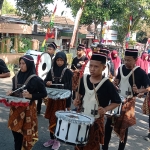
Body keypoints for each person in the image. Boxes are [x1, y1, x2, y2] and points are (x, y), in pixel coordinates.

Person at [102, 49, 150, 150]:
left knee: (124, 128)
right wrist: (116, 82)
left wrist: (139, 90)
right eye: (125, 59)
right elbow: (118, 79)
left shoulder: (140, 72)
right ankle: (104, 147)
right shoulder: (121, 68)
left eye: (129, 60)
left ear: (135, 59)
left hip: (128, 102)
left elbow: (148, 87)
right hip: (117, 100)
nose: (126, 62)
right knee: (108, 125)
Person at [73, 52, 121, 150]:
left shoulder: (107, 83)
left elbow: (117, 101)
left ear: (103, 68)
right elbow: (79, 94)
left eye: (96, 67)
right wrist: (76, 100)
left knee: (92, 146)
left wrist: (105, 109)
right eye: (91, 66)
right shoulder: (84, 79)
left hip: (96, 120)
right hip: (82, 117)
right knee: (78, 145)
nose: (92, 69)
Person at [7, 55, 47, 150]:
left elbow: (44, 93)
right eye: (20, 63)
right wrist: (11, 93)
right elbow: (14, 90)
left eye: (23, 63)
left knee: (24, 134)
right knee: (15, 133)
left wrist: (31, 96)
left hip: (27, 111)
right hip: (15, 109)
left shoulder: (35, 79)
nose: (21, 66)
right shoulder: (16, 77)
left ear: (29, 64)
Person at [43, 52, 73, 150]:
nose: (59, 62)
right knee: (51, 119)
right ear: (55, 61)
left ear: (64, 61)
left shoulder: (68, 72)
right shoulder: (51, 70)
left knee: (60, 121)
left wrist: (68, 104)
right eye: (57, 60)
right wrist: (47, 83)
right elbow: (44, 82)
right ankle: (52, 139)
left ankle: (58, 141)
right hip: (52, 100)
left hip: (62, 101)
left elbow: (70, 89)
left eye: (61, 60)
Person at [37, 42, 57, 114]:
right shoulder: (44, 57)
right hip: (43, 78)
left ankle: (50, 110)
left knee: (49, 96)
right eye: (47, 49)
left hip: (51, 79)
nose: (48, 50)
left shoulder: (56, 59)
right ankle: (38, 109)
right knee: (40, 93)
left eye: (50, 49)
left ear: (54, 50)